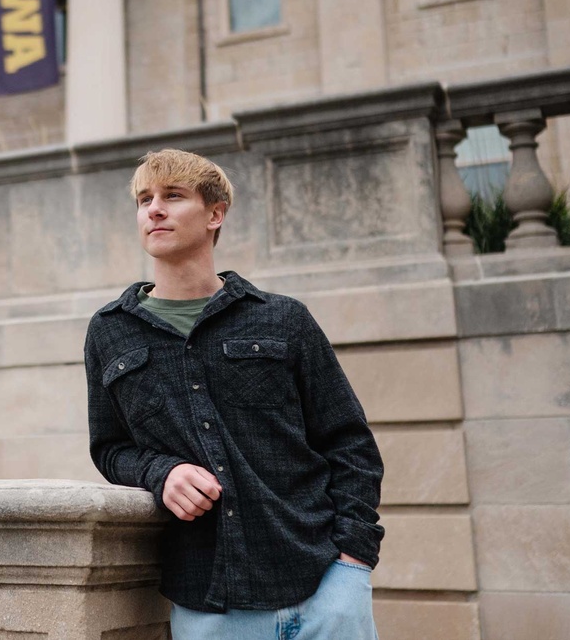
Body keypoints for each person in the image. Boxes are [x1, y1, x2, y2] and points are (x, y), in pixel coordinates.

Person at [85, 149, 384, 639]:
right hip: (209, 605)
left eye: (172, 196)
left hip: (323, 589)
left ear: (215, 214)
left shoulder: (283, 319)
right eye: (144, 200)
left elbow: (349, 442)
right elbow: (110, 448)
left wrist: (353, 563)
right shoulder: (109, 331)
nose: (154, 210)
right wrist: (162, 472)